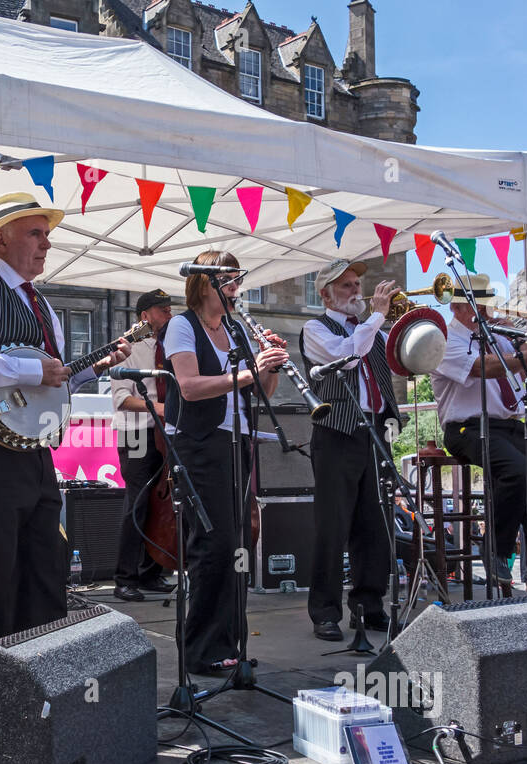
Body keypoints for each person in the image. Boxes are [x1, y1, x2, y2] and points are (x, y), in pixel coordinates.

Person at [0, 193, 130, 650]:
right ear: (1, 240)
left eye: (47, 234)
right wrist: (32, 371)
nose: (46, 244)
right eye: (35, 233)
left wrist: (95, 367)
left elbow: (54, 374)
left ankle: (40, 659)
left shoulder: (39, 303)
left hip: (30, 446)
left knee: (46, 558)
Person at [162, 250, 285, 672]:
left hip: (236, 440)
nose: (235, 286)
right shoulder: (182, 325)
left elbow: (261, 391)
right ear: (205, 283)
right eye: (228, 279)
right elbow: (190, 386)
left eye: (236, 278)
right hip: (199, 443)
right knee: (212, 543)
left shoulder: (234, 329)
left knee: (237, 541)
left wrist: (270, 363)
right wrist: (251, 372)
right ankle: (200, 649)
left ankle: (228, 642)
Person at [430, 274, 527, 592]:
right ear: (457, 307)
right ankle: (497, 549)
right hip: (467, 428)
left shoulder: (498, 335)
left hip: (508, 427)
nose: (486, 308)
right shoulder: (445, 340)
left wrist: (525, 343)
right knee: (517, 472)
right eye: (478, 302)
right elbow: (484, 368)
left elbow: (526, 374)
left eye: (487, 300)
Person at [300, 259, 399, 639]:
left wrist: (410, 325)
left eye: (358, 283)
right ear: (324, 293)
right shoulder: (315, 328)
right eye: (346, 286)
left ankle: (368, 605)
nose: (357, 291)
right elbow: (347, 355)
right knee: (333, 525)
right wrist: (377, 318)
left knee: (375, 526)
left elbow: (406, 361)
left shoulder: (373, 329)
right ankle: (325, 612)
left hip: (376, 431)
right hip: (337, 432)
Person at [110, 289, 176, 602]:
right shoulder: (128, 345)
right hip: (136, 432)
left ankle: (152, 572)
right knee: (137, 502)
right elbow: (121, 399)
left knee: (162, 505)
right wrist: (162, 408)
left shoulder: (172, 345)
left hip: (166, 432)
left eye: (170, 309)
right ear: (145, 316)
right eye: (164, 310)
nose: (170, 315)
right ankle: (125, 578)